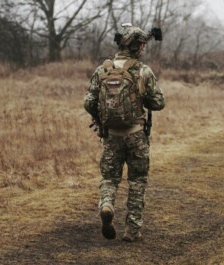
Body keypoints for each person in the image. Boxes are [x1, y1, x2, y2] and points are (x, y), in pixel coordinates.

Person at [84, 24, 165, 241]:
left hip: (111, 135)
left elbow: (88, 101)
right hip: (137, 135)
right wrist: (142, 97)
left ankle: (107, 204)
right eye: (143, 46)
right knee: (137, 181)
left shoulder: (103, 70)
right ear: (137, 47)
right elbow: (158, 103)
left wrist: (100, 119)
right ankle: (132, 230)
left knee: (109, 178)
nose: (144, 49)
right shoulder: (143, 71)